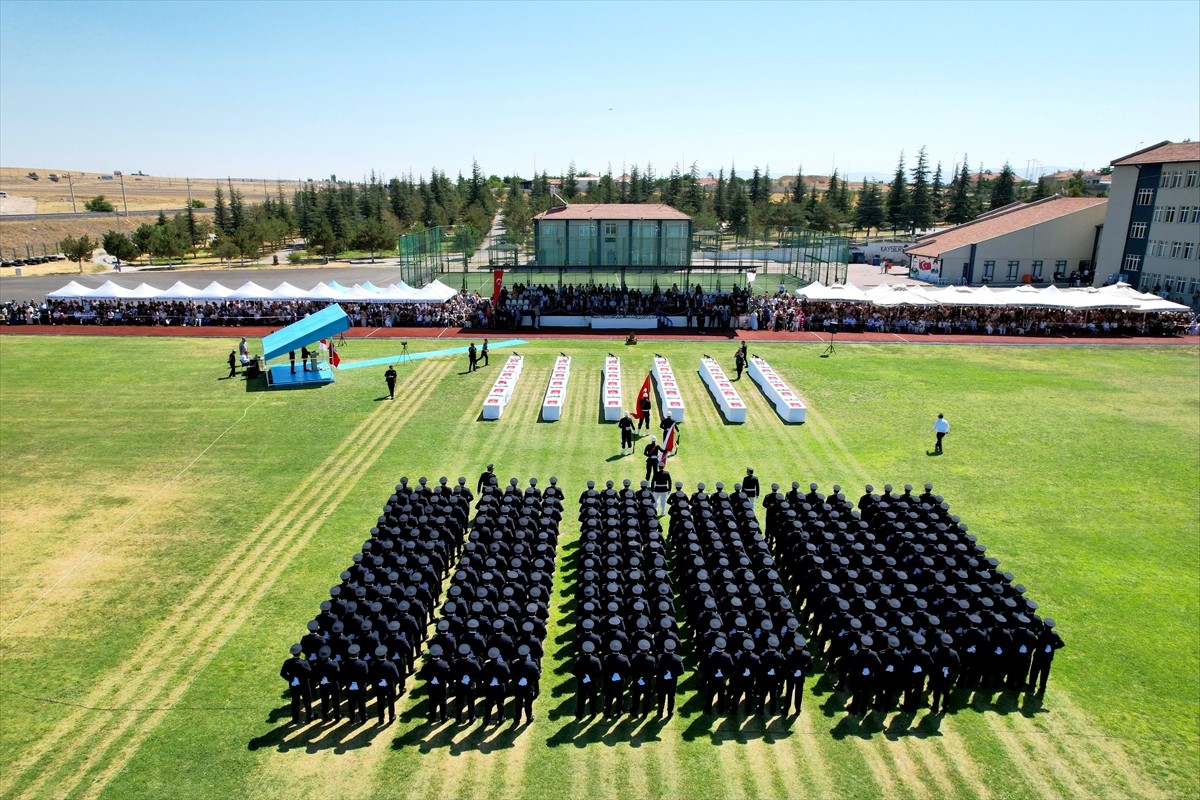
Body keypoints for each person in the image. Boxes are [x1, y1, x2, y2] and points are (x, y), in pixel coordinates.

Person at [1028, 618, 1065, 695]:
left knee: (1034, 671)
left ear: (1044, 626)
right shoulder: (1055, 635)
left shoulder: (1039, 634)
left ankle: (1031, 686)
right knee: (1045, 673)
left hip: (1038, 656)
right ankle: (1042, 687)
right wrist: (1052, 647)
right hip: (1048, 658)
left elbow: (1035, 644)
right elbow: (1061, 644)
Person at [280, 643, 313, 724]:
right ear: (300, 653)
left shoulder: (287, 662)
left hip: (294, 685)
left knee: (295, 701)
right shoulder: (304, 662)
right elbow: (310, 673)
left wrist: (291, 679)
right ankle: (309, 716)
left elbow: (282, 673)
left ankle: (295, 718)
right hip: (304, 684)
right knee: (307, 700)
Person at [371, 644, 401, 724]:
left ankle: (381, 719)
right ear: (386, 655)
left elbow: (371, 677)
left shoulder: (373, 665)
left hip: (379, 687)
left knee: (380, 703)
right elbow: (397, 677)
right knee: (391, 703)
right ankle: (391, 717)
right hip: (389, 687)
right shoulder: (391, 664)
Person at [656, 638, 684, 717]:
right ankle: (670, 712)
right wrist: (672, 675)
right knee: (671, 697)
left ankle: (660, 712)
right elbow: (681, 671)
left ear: (665, 648)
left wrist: (664, 674)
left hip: (661, 681)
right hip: (672, 682)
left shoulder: (659, 657)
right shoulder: (678, 659)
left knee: (661, 697)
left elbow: (657, 669)